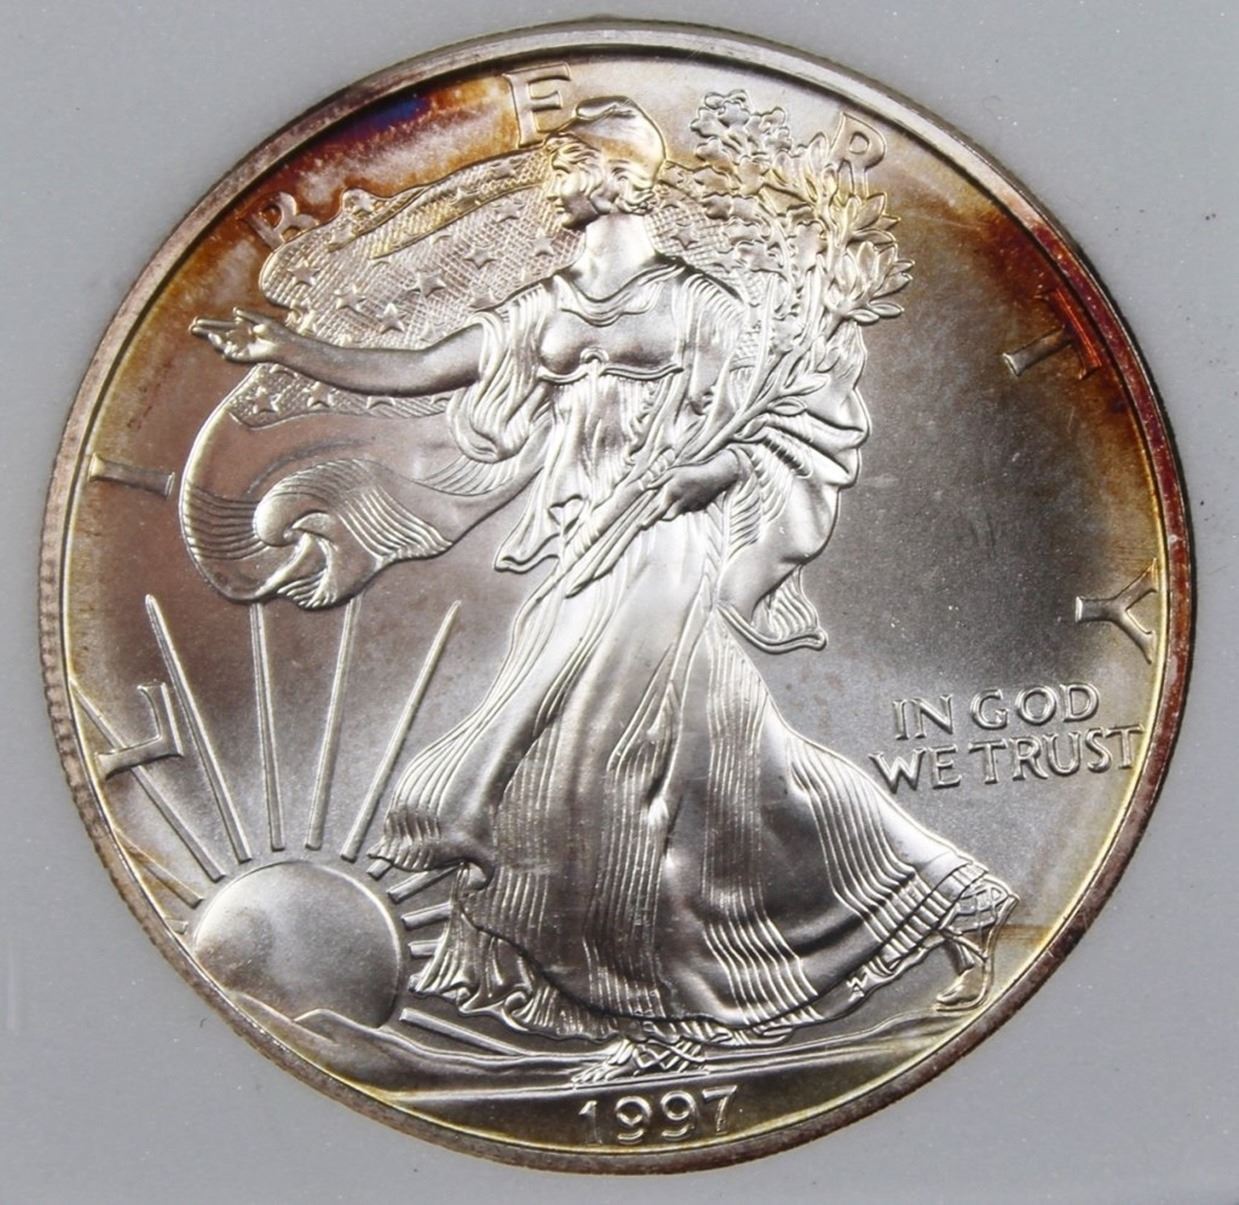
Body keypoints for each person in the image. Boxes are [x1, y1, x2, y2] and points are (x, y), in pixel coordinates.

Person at [193, 97, 1014, 1080]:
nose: (553, 180)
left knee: (598, 759)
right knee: (729, 762)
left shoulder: (700, 302)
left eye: (570, 164)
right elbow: (418, 370)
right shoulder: (546, 302)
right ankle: (941, 898)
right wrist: (288, 349)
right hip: (582, 540)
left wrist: (713, 471)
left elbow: (791, 416)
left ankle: (663, 1004)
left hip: (665, 544)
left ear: (622, 178)